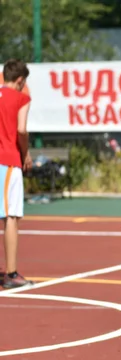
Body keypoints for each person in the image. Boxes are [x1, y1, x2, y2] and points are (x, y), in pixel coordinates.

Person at [0, 59, 33, 288]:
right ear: (20, 80)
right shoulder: (21, 98)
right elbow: (21, 129)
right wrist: (26, 152)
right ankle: (11, 273)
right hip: (8, 159)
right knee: (11, 216)